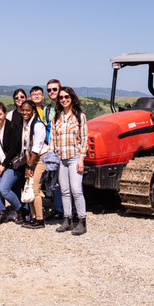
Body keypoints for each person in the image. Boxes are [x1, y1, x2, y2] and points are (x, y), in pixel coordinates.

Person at [50, 86, 88, 236]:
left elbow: (84, 139)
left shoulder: (80, 116)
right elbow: (53, 138)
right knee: (64, 191)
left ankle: (82, 220)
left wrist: (82, 159)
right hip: (61, 158)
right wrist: (52, 155)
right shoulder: (56, 117)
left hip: (74, 157)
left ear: (72, 98)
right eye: (61, 97)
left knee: (76, 190)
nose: (64, 99)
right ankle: (67, 220)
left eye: (67, 97)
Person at [0, 102, 24, 225]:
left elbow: (14, 150)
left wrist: (3, 165)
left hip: (12, 165)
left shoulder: (14, 128)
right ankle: (2, 212)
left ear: (5, 113)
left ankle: (20, 210)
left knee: (4, 189)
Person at [20, 100, 47, 229]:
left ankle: (40, 219)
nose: (25, 112)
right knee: (30, 186)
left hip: (41, 158)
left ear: (33, 111)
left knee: (35, 188)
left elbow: (37, 147)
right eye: (23, 110)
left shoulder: (37, 125)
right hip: (31, 159)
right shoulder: (25, 125)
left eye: (28, 110)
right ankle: (34, 217)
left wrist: (29, 166)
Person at [44, 78, 64, 219]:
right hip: (51, 147)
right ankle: (58, 209)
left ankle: (69, 211)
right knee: (54, 181)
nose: (52, 92)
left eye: (54, 89)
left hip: (64, 148)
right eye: (49, 90)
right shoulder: (48, 109)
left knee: (64, 182)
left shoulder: (66, 107)